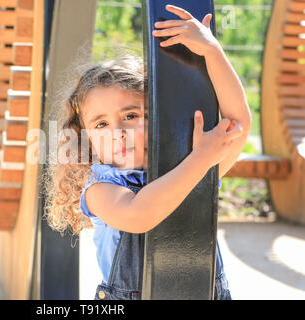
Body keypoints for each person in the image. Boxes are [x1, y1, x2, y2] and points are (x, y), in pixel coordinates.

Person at [43, 4, 251, 300]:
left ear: (156, 117)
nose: (117, 132)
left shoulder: (188, 163)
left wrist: (213, 53)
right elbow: (139, 214)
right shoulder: (100, 189)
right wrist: (202, 159)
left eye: (130, 116)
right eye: (101, 124)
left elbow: (237, 125)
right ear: (87, 139)